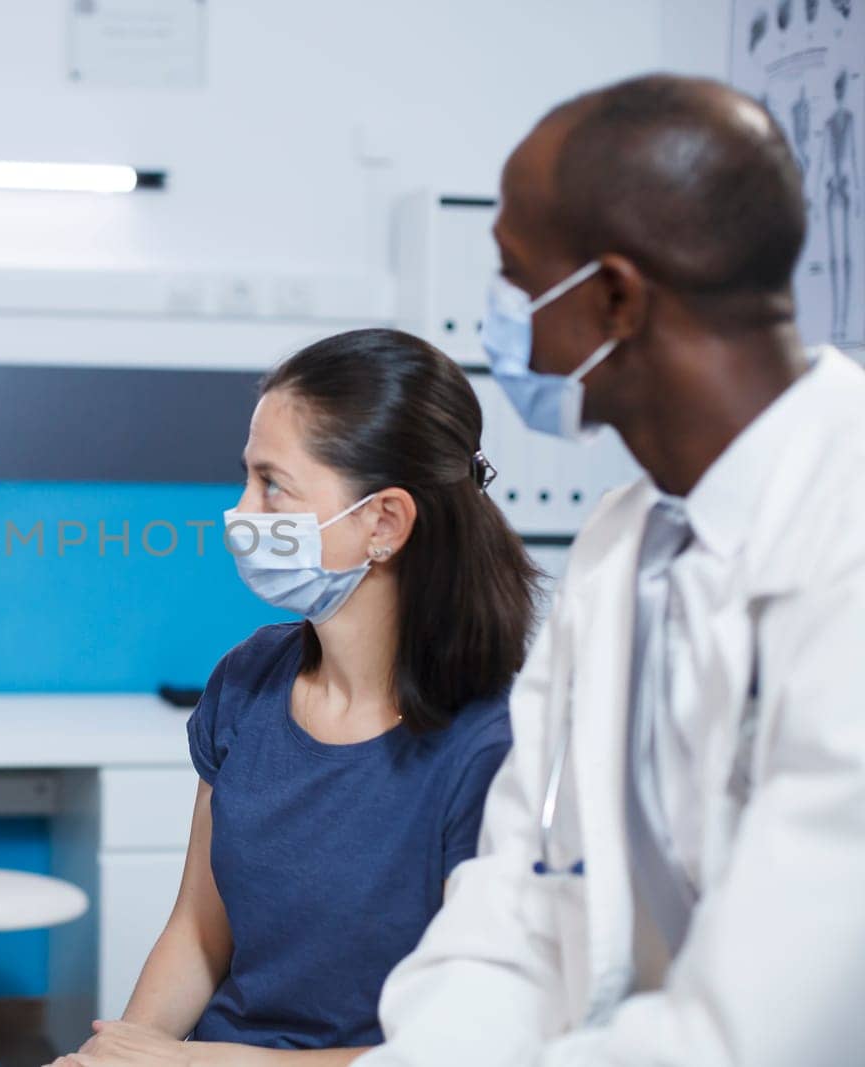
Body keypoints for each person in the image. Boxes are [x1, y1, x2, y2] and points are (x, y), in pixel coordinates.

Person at [362, 75, 865, 1066]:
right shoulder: (620, 543)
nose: (500, 323)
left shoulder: (842, 538)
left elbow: (759, 1028)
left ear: (613, 299)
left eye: (515, 281)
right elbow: (523, 896)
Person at [58, 329, 541, 1065]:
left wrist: (205, 1063)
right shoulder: (247, 682)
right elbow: (199, 928)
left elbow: (458, 1047)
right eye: (246, 477)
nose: (241, 511)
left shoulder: (488, 745)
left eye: (271, 483)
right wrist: (130, 1052)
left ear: (383, 522)